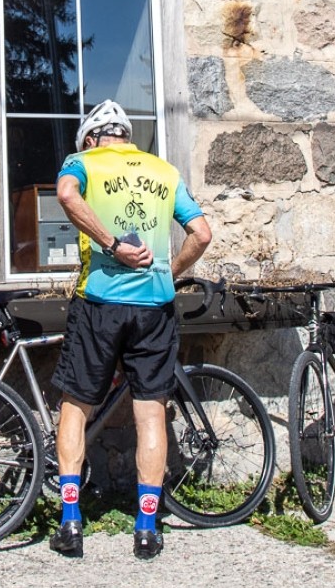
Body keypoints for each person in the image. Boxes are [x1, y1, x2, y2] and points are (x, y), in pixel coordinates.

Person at [48, 100, 213, 562]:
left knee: (77, 405)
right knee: (151, 414)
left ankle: (71, 522)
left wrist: (112, 245)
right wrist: (169, 273)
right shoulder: (164, 170)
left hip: (99, 302)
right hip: (154, 307)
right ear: (125, 135)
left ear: (91, 138)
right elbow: (201, 233)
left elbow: (65, 194)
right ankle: (145, 529)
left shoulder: (82, 162)